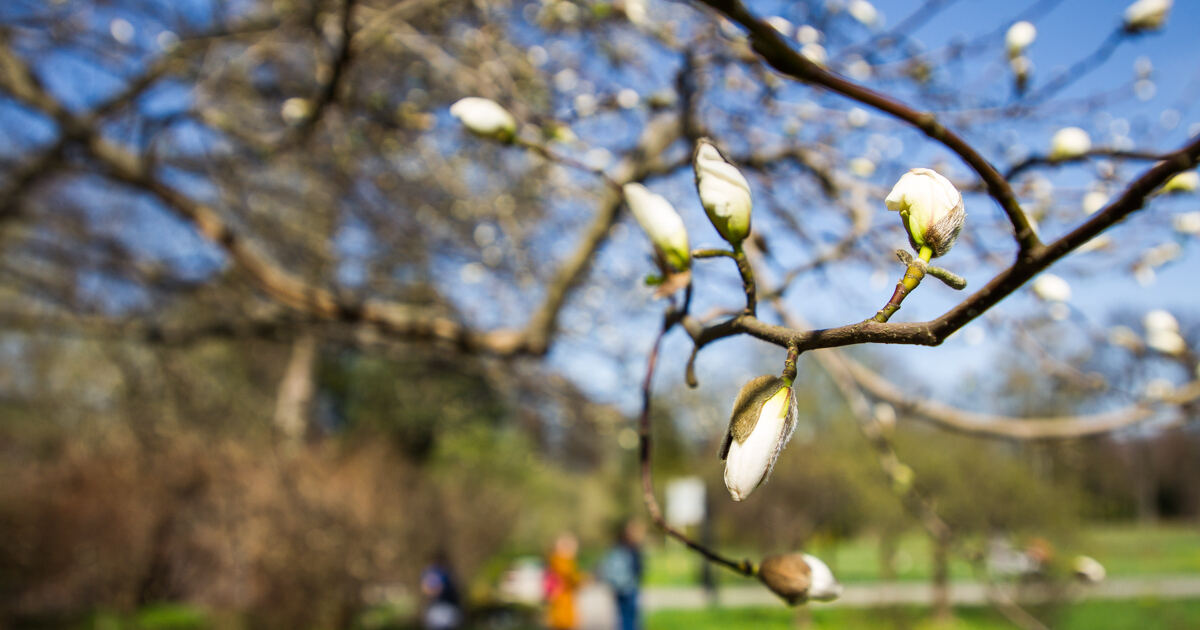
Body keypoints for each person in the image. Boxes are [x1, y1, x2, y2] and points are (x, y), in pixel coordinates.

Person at [598, 520, 645, 630]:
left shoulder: (616, 547)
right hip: (630, 587)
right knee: (631, 618)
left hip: (618, 588)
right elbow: (638, 568)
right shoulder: (632, 549)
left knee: (622, 618)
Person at [544, 533, 582, 630]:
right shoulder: (563, 563)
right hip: (563, 603)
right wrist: (582, 579)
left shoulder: (553, 561)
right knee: (563, 624)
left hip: (558, 603)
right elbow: (571, 578)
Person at [421, 550, 463, 630]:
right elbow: (436, 589)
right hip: (443, 609)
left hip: (439, 609)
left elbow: (426, 589)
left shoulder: (429, 572)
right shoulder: (440, 572)